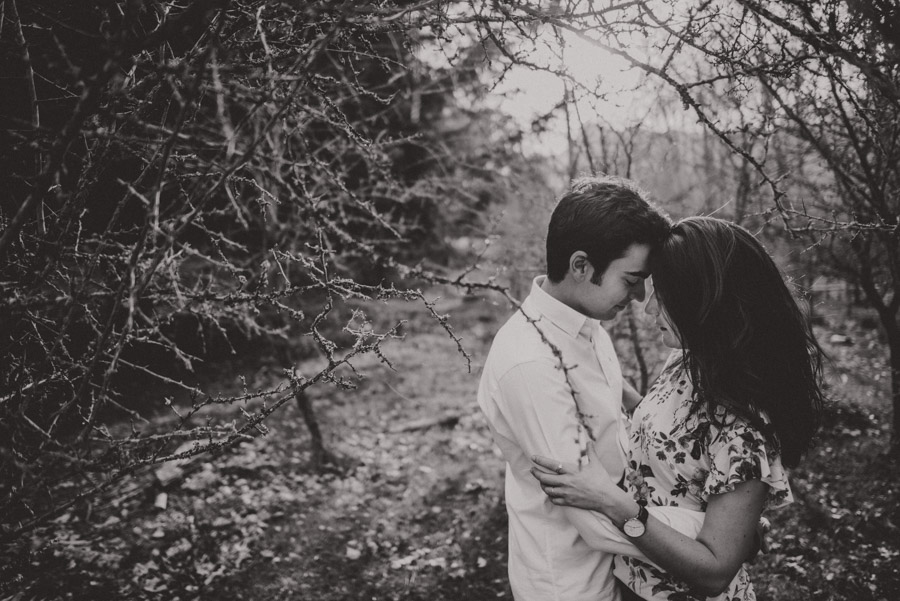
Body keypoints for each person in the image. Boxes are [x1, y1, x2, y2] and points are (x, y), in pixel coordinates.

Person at [531, 216, 825, 601]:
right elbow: (664, 429)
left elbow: (715, 572)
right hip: (630, 585)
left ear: (702, 300)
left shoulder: (746, 431)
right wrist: (577, 368)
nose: (649, 308)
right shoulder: (688, 362)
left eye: (663, 295)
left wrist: (612, 502)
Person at [477, 176, 701, 601]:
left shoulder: (582, 319)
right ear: (581, 266)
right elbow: (593, 517)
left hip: (622, 563)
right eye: (632, 279)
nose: (638, 298)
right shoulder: (531, 364)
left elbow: (607, 398)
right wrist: (711, 533)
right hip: (575, 582)